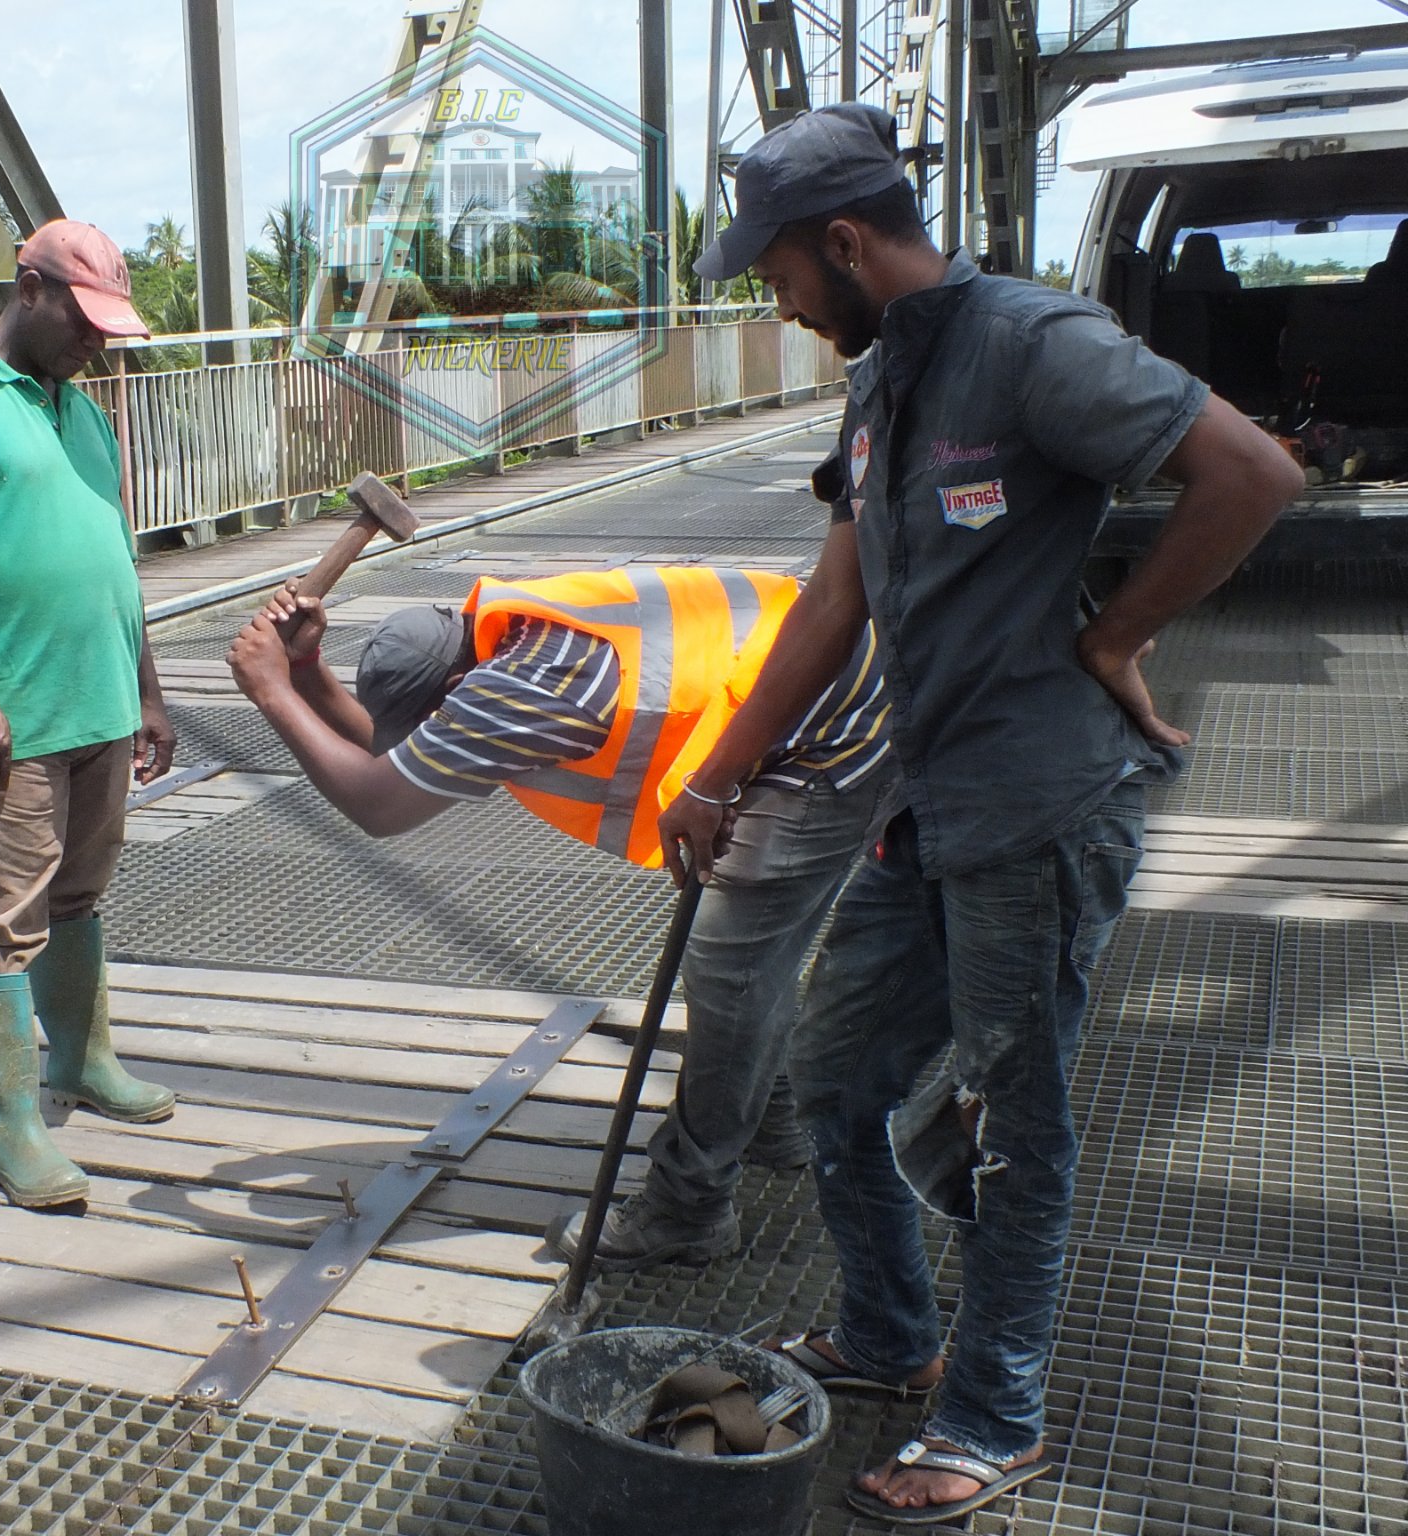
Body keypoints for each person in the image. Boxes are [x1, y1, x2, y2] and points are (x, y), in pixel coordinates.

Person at [658, 103, 1303, 1523]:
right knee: (839, 1079)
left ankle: (995, 1414)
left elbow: (1252, 474)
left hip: (1041, 807)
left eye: (775, 274)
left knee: (1016, 1125)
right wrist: (715, 776)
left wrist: (1117, 635)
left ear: (841, 242)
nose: (774, 301)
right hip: (928, 800)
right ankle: (888, 1332)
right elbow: (838, 601)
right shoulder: (882, 376)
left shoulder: (1032, 343)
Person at [226, 560, 894, 1268]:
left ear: (458, 691)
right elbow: (399, 758)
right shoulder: (508, 630)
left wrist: (269, 691)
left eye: (443, 719)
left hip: (842, 723)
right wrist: (305, 673)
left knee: (729, 965)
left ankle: (689, 1208)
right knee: (760, 952)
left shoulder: (523, 695)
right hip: (820, 678)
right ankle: (769, 1119)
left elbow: (378, 800)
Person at [0, 219, 179, 1212]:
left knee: (79, 898)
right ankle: (10, 1121)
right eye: (85, 321)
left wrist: (146, 690)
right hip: (10, 716)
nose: (96, 342)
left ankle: (80, 1063)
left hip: (99, 698)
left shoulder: (81, 410)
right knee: (0, 922)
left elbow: (113, 554)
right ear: (30, 290)